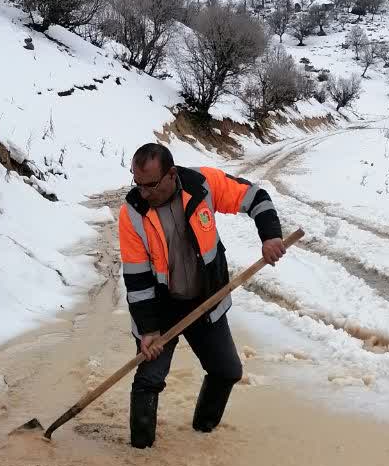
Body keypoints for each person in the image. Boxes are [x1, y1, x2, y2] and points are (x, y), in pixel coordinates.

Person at [119, 143, 286, 449]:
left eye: (150, 185)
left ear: (171, 174)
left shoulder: (201, 185)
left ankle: (203, 432)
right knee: (148, 379)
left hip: (205, 300)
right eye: (137, 183)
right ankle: (140, 454)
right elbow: (137, 278)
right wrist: (148, 331)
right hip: (159, 309)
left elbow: (255, 197)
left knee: (227, 371)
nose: (143, 193)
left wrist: (271, 234)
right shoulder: (132, 213)